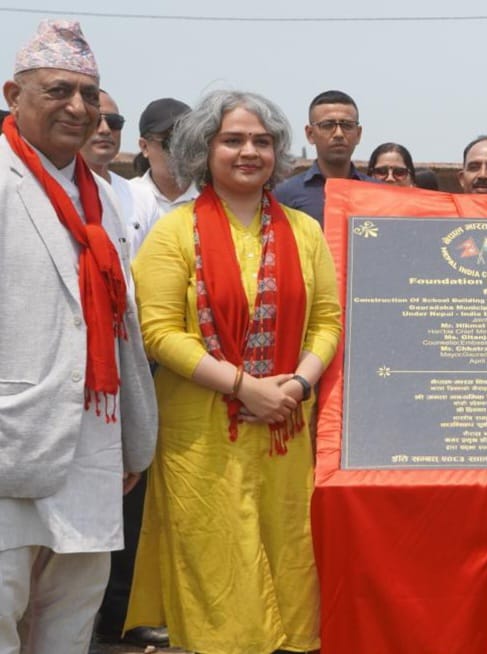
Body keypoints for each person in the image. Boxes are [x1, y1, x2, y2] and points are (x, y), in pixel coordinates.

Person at [125, 90, 342, 654]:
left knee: (288, 553)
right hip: (201, 436)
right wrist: (246, 387)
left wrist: (296, 384)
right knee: (216, 563)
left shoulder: (305, 231)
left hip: (285, 428)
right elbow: (158, 331)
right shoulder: (174, 232)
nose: (250, 152)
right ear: (204, 149)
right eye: (233, 140)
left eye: (262, 141)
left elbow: (328, 321)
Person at [0, 20, 157, 654]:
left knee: (70, 619)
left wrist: (135, 436)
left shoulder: (102, 198)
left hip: (93, 442)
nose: (78, 107)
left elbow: (123, 326)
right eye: (58, 90)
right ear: (14, 95)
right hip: (14, 435)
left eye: (89, 95)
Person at [79, 89, 168, 651]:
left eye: (113, 120)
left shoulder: (118, 197)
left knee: (124, 504)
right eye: (97, 118)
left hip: (119, 374)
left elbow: (133, 304)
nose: (102, 128)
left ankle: (117, 614)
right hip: (48, 388)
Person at [80, 89, 160, 257]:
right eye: (94, 120)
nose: (105, 129)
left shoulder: (142, 198)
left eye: (114, 122)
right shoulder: (53, 192)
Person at [275, 89, 373, 223]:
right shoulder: (285, 194)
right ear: (310, 134)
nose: (338, 134)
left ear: (358, 134)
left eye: (347, 125)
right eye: (327, 125)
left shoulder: (378, 192)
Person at [129, 98, 198, 217]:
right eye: (170, 141)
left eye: (187, 140)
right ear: (145, 147)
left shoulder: (215, 198)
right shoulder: (127, 197)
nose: (180, 150)